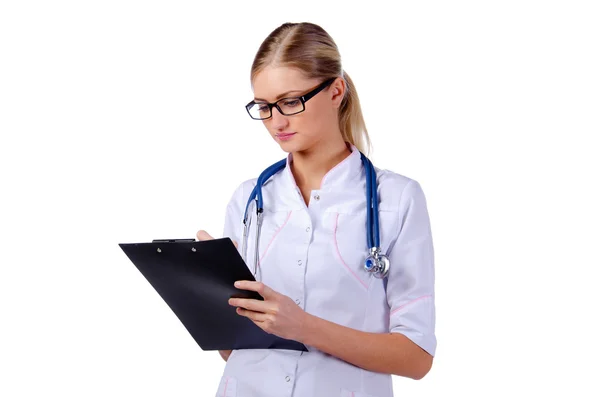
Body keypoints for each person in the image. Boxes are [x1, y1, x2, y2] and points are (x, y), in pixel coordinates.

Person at [196, 22, 436, 397]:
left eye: (290, 101)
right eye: (263, 106)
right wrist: (206, 291)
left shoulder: (397, 199)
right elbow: (234, 348)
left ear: (336, 90)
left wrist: (302, 326)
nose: (276, 121)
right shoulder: (248, 199)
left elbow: (416, 357)